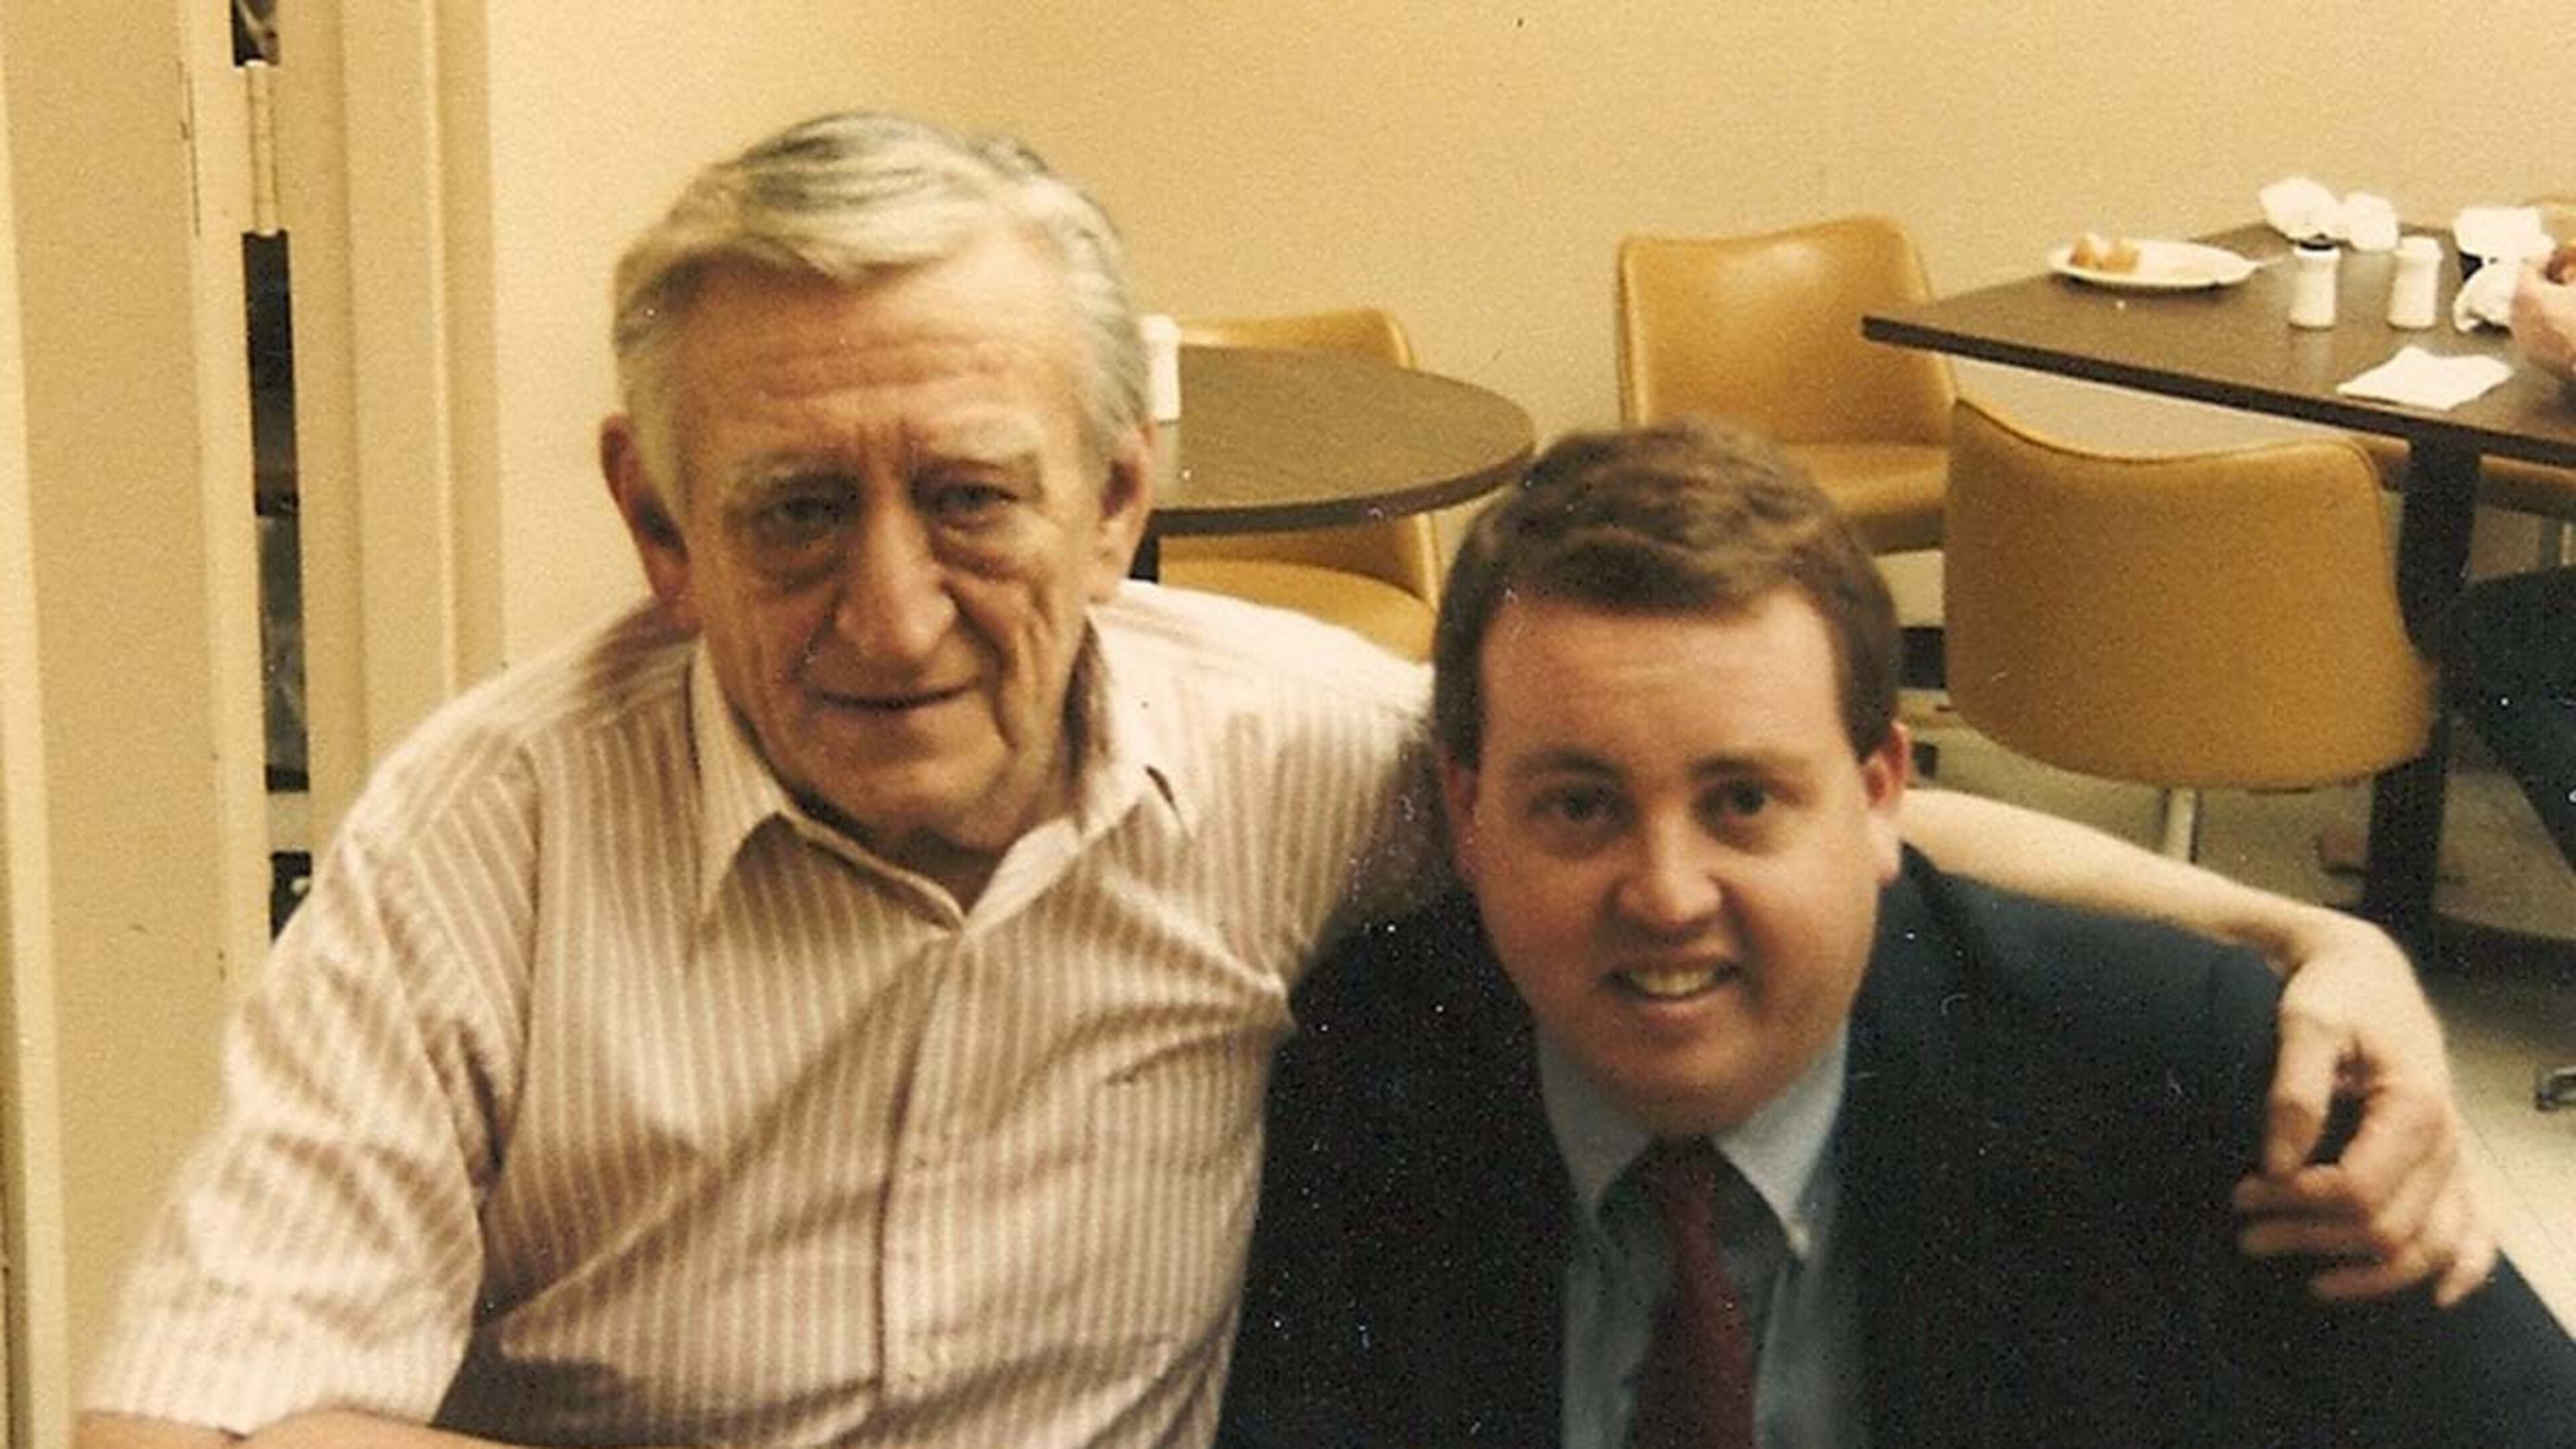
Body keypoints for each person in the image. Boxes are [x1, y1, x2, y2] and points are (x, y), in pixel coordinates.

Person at [74, 111, 2485, 1449]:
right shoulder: (471, 843)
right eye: (796, 510)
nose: (894, 617)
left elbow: (1721, 819)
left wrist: (2302, 934)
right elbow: (203, 1427)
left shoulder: (1299, 754)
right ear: (652, 521)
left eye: (978, 499)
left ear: (1128, 496)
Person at [1218, 421, 2576, 1449]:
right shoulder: (1369, 1075)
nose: (1668, 893)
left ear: (1879, 796)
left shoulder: (2197, 1079)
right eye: (1579, 807)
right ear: (1467, 810)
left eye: (1744, 800)